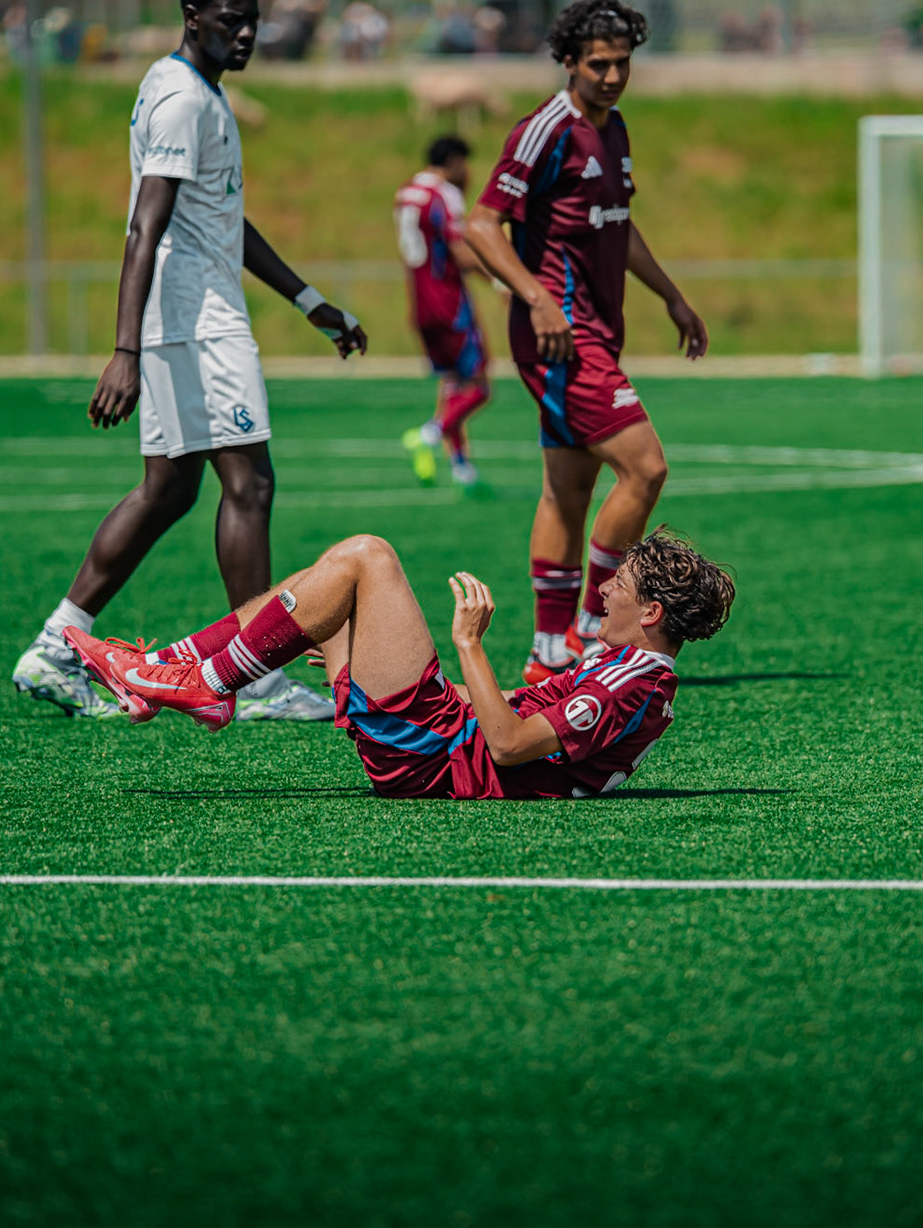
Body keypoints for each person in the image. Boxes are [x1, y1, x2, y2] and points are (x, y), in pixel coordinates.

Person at [11, 0, 368, 721]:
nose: (245, 33)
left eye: (253, 20)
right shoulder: (182, 99)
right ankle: (258, 679)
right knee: (250, 485)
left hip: (187, 318)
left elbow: (220, 218)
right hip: (197, 323)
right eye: (230, 18)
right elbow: (146, 224)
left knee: (169, 491)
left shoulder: (194, 90)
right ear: (192, 13)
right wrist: (124, 350)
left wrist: (308, 300)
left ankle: (57, 644)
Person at [64, 528, 735, 799]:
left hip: (432, 754)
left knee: (367, 556)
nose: (608, 585)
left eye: (623, 581)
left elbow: (506, 746)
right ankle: (179, 672)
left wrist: (467, 644)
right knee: (326, 579)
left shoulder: (630, 685)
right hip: (430, 736)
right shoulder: (626, 672)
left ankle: (203, 682)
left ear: (651, 614)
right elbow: (514, 712)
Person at [463, 0, 708, 684]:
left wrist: (672, 296)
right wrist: (537, 298)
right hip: (561, 339)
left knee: (567, 493)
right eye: (598, 63)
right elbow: (481, 227)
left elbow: (619, 226)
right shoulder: (545, 129)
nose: (612, 74)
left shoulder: (615, 128)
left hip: (598, 332)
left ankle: (548, 654)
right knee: (646, 468)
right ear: (568, 61)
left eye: (622, 61)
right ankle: (596, 633)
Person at [396, 135, 494, 488]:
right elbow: (460, 251)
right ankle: (428, 435)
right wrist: (501, 282)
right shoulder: (444, 194)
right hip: (450, 302)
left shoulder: (406, 192)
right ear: (453, 161)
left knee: (452, 383)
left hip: (420, 304)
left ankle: (460, 465)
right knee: (480, 386)